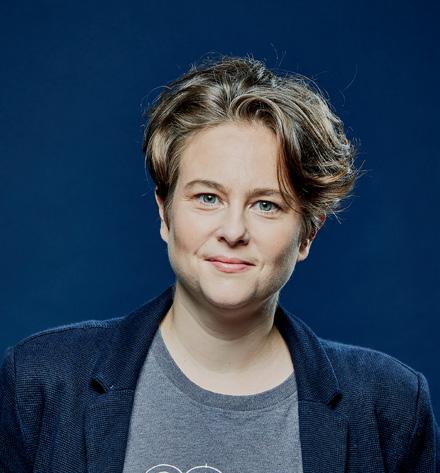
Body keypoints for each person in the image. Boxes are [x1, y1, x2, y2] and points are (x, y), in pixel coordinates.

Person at [0, 54, 438, 473]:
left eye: (266, 204)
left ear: (308, 232)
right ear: (165, 214)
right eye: (208, 197)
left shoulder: (391, 406)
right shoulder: (40, 381)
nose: (233, 230)